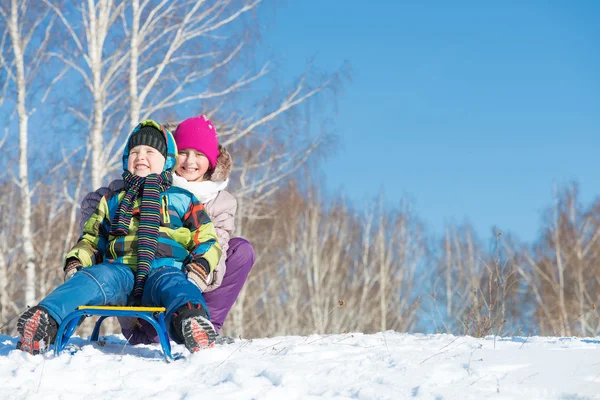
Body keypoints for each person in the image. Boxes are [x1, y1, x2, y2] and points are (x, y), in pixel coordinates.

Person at [16, 120, 222, 355]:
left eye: (149, 151)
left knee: (177, 287)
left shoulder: (182, 199)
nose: (141, 156)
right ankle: (46, 321)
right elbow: (92, 238)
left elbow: (206, 239)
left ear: (167, 161)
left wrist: (200, 266)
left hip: (165, 269)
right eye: (134, 151)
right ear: (126, 160)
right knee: (92, 278)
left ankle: (191, 321)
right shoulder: (114, 200)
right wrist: (78, 260)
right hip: (119, 271)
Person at [80, 115, 255, 345]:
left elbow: (217, 251)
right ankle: (168, 319)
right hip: (145, 299)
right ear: (171, 155)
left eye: (200, 154)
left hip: (188, 286)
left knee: (239, 250)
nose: (190, 161)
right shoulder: (154, 182)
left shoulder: (220, 202)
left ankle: (201, 325)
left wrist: (193, 276)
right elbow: (102, 198)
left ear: (211, 162)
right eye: (184, 152)